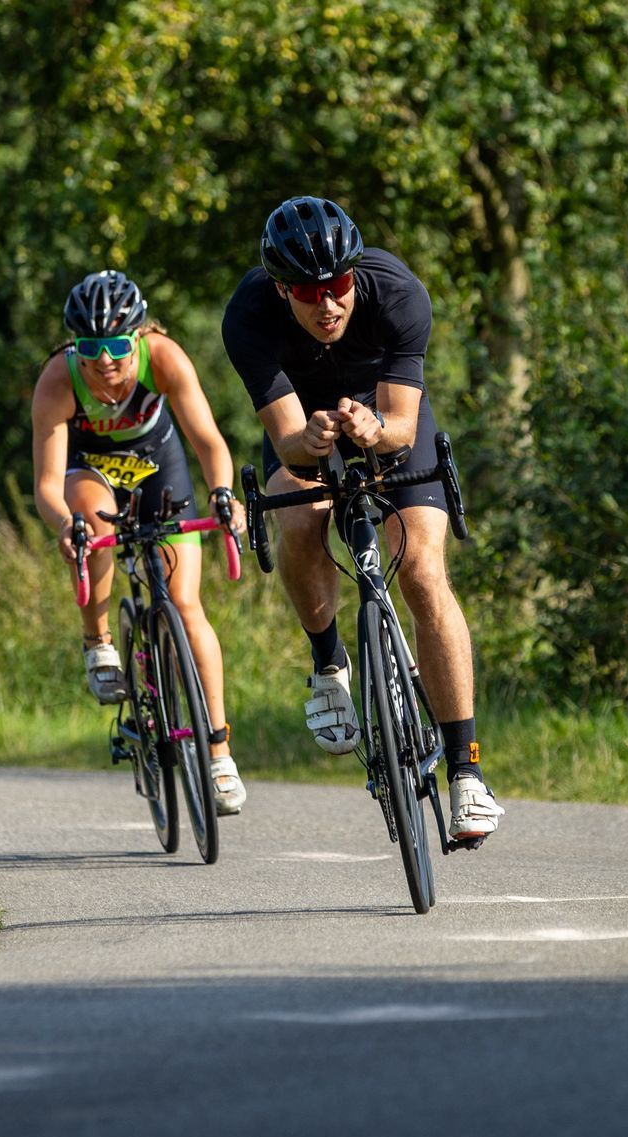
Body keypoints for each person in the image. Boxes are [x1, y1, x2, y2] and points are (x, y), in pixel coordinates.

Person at [220, 195, 503, 843]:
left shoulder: (397, 291)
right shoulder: (249, 315)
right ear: (280, 288)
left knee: (424, 572)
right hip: (306, 421)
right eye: (309, 291)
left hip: (384, 411)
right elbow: (287, 440)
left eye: (340, 285)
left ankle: (467, 774)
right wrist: (313, 435)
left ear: (356, 274)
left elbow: (404, 426)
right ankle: (329, 666)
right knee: (297, 518)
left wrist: (374, 429)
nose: (328, 304)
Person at [31, 269, 249, 815]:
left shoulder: (164, 357)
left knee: (185, 604)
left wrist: (223, 494)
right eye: (91, 347)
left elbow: (208, 442)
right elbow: (45, 485)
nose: (105, 361)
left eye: (117, 348)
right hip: (91, 470)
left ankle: (219, 754)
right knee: (93, 524)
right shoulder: (58, 380)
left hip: (157, 465)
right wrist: (65, 526)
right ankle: (99, 640)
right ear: (73, 345)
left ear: (139, 337)